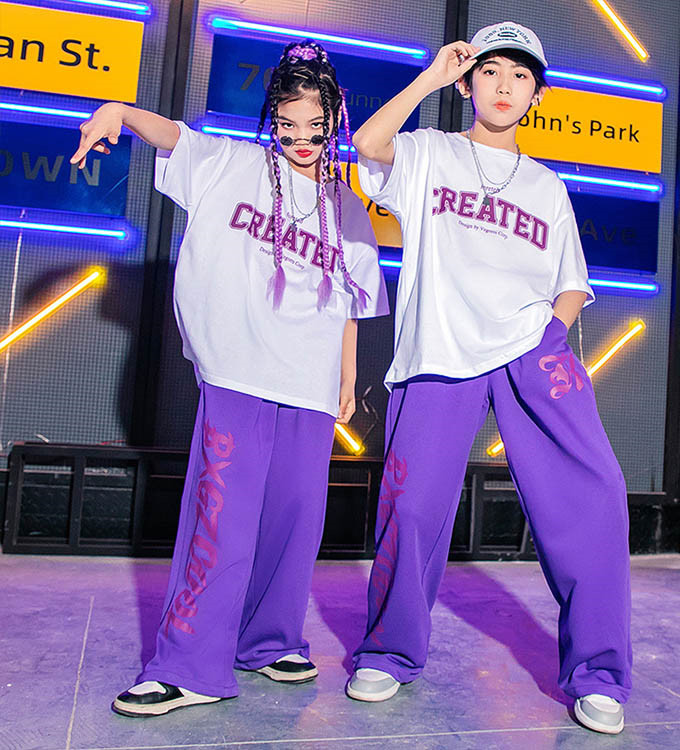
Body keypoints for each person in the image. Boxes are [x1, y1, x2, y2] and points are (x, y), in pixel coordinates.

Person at [70, 39, 388, 717]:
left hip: (309, 384)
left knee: (294, 521)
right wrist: (119, 111)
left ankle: (269, 641)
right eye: (288, 125)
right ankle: (188, 664)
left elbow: (350, 302)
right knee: (222, 521)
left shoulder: (346, 205)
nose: (301, 139)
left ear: (335, 121)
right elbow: (173, 135)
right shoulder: (231, 164)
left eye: (315, 126)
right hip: (239, 373)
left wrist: (347, 377)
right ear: (272, 119)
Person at [345, 22, 631, 735]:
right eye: (492, 71)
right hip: (440, 350)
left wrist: (551, 335)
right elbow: (369, 146)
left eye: (521, 75)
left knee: (597, 497)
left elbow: (571, 281)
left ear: (536, 95)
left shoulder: (546, 185)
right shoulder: (430, 152)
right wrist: (428, 79)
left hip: (531, 348)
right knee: (412, 508)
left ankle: (598, 674)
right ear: (469, 82)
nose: (505, 86)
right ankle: (389, 651)